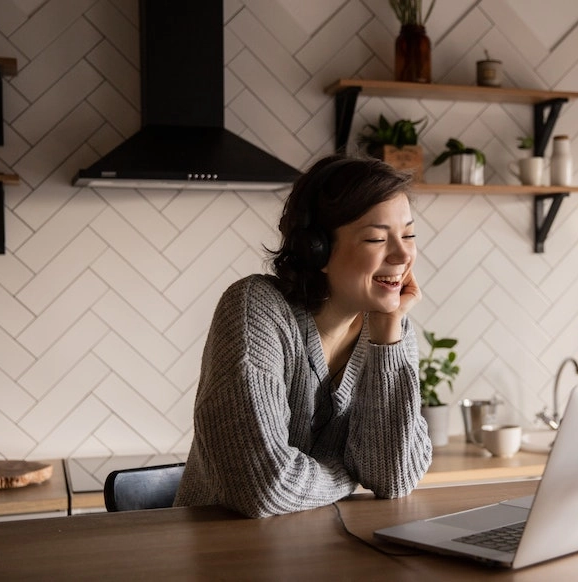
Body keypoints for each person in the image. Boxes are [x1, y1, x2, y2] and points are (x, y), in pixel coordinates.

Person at [174, 155, 432, 518]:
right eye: (376, 238)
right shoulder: (256, 308)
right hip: (222, 555)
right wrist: (348, 473)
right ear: (317, 250)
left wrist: (388, 338)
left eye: (408, 234)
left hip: (322, 553)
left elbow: (393, 478)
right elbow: (264, 487)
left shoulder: (392, 330)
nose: (403, 254)